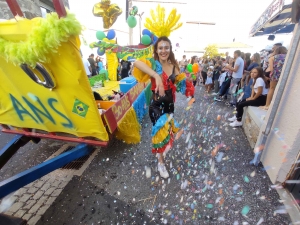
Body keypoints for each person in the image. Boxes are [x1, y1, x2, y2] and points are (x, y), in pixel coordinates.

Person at [133, 36, 194, 178]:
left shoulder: (175, 66)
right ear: (156, 50)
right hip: (156, 105)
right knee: (161, 133)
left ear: (170, 49)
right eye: (160, 48)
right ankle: (161, 163)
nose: (163, 50)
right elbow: (136, 63)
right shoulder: (152, 64)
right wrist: (156, 76)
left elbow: (180, 87)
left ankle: (160, 156)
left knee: (167, 134)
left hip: (170, 106)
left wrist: (188, 80)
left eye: (166, 47)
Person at [260, 46, 287, 110]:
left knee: (272, 89)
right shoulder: (287, 56)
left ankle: (267, 105)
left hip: (275, 75)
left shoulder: (272, 57)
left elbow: (271, 69)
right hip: (284, 74)